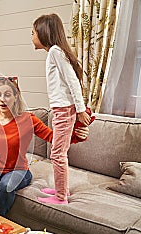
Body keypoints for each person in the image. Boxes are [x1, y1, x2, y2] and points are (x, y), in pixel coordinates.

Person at [0, 77, 89, 217]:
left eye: (7, 95)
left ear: (16, 97)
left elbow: (53, 138)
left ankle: (1, 218)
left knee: (6, 186)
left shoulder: (27, 119)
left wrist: (76, 136)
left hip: (18, 170)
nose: (2, 99)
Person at [31, 14, 91, 204]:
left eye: (33, 33)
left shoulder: (55, 51)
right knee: (57, 152)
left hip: (64, 110)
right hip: (61, 110)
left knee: (57, 154)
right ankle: (61, 190)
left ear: (44, 33)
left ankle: (61, 197)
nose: (31, 36)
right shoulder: (54, 53)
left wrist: (80, 110)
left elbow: (72, 80)